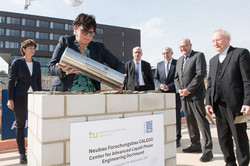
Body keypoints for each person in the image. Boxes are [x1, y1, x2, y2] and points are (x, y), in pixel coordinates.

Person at [206, 29, 250, 166]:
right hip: (218, 106)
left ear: (227, 39)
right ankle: (229, 163)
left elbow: (247, 80)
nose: (215, 43)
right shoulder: (213, 60)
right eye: (213, 41)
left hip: (237, 106)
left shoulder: (240, 53)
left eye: (218, 40)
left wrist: (248, 102)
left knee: (239, 137)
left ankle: (243, 163)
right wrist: (208, 102)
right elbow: (210, 84)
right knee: (223, 137)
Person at [48, 13, 125, 92]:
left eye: (91, 33)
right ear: (75, 29)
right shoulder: (65, 42)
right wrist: (62, 70)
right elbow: (51, 67)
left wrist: (120, 80)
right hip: (65, 92)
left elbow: (118, 64)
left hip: (91, 94)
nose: (88, 36)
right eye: (84, 31)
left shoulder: (99, 48)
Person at [174, 38, 213, 162]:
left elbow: (200, 74)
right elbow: (176, 78)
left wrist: (188, 89)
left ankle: (208, 150)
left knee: (201, 122)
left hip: (196, 95)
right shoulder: (179, 60)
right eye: (180, 47)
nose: (182, 49)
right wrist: (180, 89)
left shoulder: (198, 56)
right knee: (190, 121)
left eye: (185, 46)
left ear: (190, 45)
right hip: (184, 96)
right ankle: (195, 144)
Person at [7, 39, 42, 164]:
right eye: (30, 48)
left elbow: (38, 82)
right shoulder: (17, 63)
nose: (32, 50)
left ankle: (35, 148)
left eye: (34, 48)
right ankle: (22, 153)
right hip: (20, 97)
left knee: (37, 123)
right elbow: (11, 81)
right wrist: (10, 99)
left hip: (35, 96)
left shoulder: (37, 64)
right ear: (24, 49)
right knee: (20, 125)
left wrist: (40, 95)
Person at [154, 46, 182, 147]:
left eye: (167, 53)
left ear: (172, 53)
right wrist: (160, 85)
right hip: (162, 94)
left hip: (174, 93)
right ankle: (164, 136)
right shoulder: (159, 64)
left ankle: (177, 138)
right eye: (163, 53)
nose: (165, 55)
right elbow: (156, 78)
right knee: (163, 116)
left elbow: (178, 79)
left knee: (176, 116)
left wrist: (169, 86)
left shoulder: (177, 63)